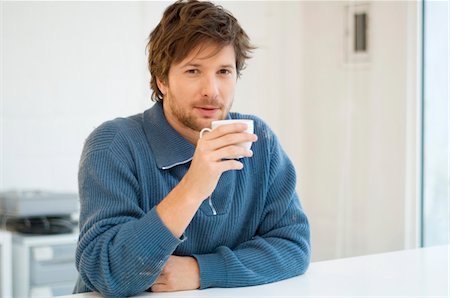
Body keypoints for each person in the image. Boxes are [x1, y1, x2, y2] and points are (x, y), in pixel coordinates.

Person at [74, 0, 310, 296]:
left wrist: (201, 271)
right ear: (162, 80)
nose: (211, 90)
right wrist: (193, 187)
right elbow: (108, 273)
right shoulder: (113, 144)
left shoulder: (258, 139)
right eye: (193, 71)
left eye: (224, 71)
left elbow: (293, 247)